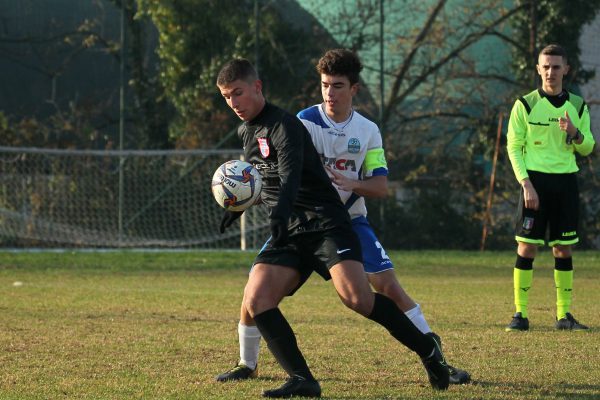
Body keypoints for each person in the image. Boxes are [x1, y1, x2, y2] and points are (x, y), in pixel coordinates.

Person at [216, 49, 470, 386]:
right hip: (290, 227)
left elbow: (292, 175)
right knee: (255, 296)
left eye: (238, 92)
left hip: (329, 222)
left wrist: (346, 186)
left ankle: (430, 350)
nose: (233, 101)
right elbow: (263, 178)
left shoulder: (304, 125)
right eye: (226, 96)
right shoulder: (261, 129)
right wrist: (239, 204)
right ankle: (295, 378)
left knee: (360, 297)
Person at [505, 44, 595, 332]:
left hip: (565, 183)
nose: (551, 72)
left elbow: (588, 147)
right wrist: (526, 184)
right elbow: (514, 147)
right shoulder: (525, 104)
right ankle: (520, 315)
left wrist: (575, 133)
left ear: (566, 70)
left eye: (557, 66)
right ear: (538, 69)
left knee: (563, 251)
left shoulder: (578, 106)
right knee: (526, 247)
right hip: (535, 183)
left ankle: (564, 316)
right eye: (546, 66)